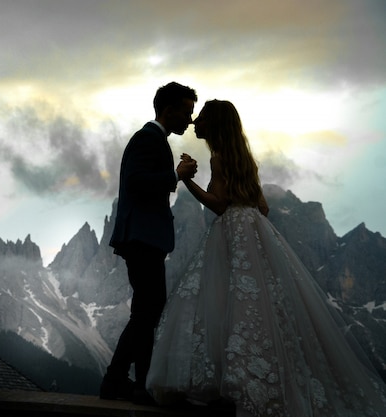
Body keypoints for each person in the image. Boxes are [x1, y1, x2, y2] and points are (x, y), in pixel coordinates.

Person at [146, 99, 386, 416]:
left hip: (230, 229)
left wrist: (186, 178)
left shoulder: (218, 160)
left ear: (214, 124)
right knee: (253, 303)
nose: (195, 123)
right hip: (254, 229)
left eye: (201, 117)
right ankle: (253, 380)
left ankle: (230, 383)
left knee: (221, 300)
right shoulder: (244, 159)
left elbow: (217, 204)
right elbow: (264, 207)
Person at [100, 82, 199, 405]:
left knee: (148, 310)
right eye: (186, 112)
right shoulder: (147, 138)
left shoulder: (155, 139)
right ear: (168, 110)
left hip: (144, 238)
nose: (190, 120)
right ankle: (116, 381)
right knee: (147, 311)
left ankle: (139, 385)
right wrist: (177, 175)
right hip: (142, 238)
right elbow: (136, 181)